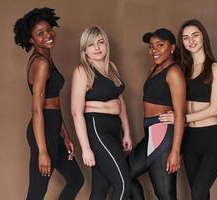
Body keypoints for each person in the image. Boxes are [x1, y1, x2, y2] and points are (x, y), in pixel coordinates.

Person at [13, 7, 84, 199]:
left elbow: (53, 104)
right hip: (43, 132)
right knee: (37, 192)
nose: (48, 35)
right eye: (40, 33)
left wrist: (65, 136)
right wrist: (42, 151)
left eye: (48, 30)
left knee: (76, 180)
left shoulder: (47, 59)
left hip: (53, 128)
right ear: (31, 39)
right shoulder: (42, 64)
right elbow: (38, 110)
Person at [159, 19, 217, 200]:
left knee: (198, 191)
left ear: (203, 36)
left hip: (211, 139)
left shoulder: (216, 68)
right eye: (186, 38)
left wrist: (181, 119)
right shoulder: (182, 69)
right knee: (198, 194)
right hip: (189, 140)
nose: (191, 41)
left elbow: (214, 109)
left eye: (195, 35)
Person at [71, 26, 132, 200]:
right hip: (97, 130)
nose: (97, 48)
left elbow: (120, 101)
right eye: (91, 45)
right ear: (85, 50)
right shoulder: (82, 71)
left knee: (100, 188)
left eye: (100, 42)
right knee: (123, 183)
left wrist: (126, 132)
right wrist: (86, 149)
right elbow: (76, 112)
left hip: (115, 130)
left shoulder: (111, 67)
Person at [127, 28, 186, 200]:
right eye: (151, 46)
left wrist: (175, 151)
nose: (154, 50)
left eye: (160, 45)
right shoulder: (154, 68)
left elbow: (180, 115)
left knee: (165, 195)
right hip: (150, 134)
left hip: (163, 137)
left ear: (172, 48)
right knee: (123, 176)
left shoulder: (174, 73)